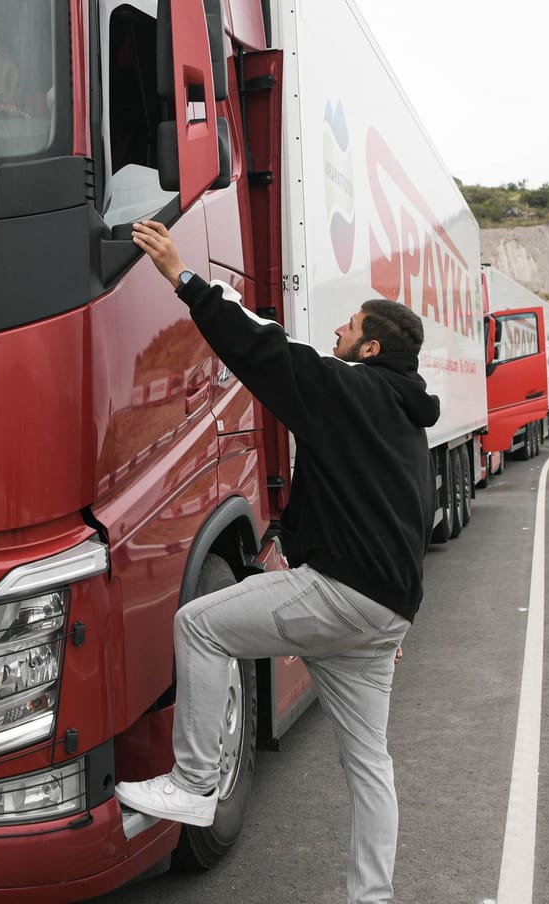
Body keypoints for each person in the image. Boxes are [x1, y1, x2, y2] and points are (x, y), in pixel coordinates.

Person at [116, 220, 440, 904]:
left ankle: (195, 783)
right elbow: (401, 523)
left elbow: (261, 348)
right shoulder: (406, 424)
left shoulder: (347, 390)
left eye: (349, 326)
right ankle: (371, 898)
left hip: (348, 599)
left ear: (370, 345)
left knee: (201, 626)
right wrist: (384, 618)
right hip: (381, 614)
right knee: (369, 767)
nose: (338, 334)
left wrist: (183, 276)